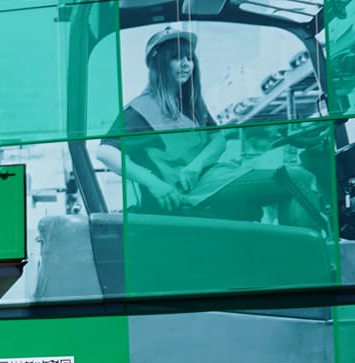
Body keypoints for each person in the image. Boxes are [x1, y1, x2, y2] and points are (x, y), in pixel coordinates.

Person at [94, 26, 320, 229]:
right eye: (176, 58)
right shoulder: (142, 108)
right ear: (159, 63)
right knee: (299, 178)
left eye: (189, 58)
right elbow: (105, 151)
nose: (186, 64)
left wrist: (195, 165)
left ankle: (298, 250)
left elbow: (217, 139)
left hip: (214, 177)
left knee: (292, 189)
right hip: (195, 192)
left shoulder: (189, 103)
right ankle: (316, 253)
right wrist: (154, 183)